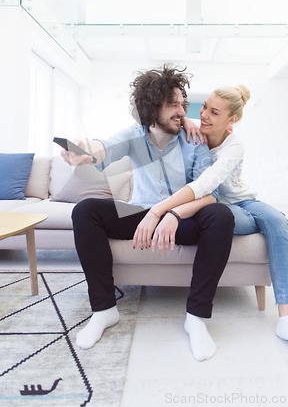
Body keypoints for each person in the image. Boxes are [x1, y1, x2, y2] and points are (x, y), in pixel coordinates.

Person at [134, 84, 288, 365]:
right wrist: (186, 120)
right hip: (219, 209)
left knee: (277, 220)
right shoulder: (191, 133)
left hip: (244, 202)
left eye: (214, 111)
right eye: (204, 108)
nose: (204, 115)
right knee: (226, 217)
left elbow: (206, 184)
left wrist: (162, 211)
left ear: (231, 120)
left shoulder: (234, 146)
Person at [62, 65, 234, 362]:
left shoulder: (194, 139)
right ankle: (104, 310)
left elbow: (209, 193)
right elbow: (103, 149)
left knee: (220, 215)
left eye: (183, 103)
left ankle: (196, 317)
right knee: (86, 210)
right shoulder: (134, 135)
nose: (182, 111)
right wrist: (83, 151)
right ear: (151, 109)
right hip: (141, 216)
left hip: (181, 219)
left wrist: (171, 214)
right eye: (173, 105)